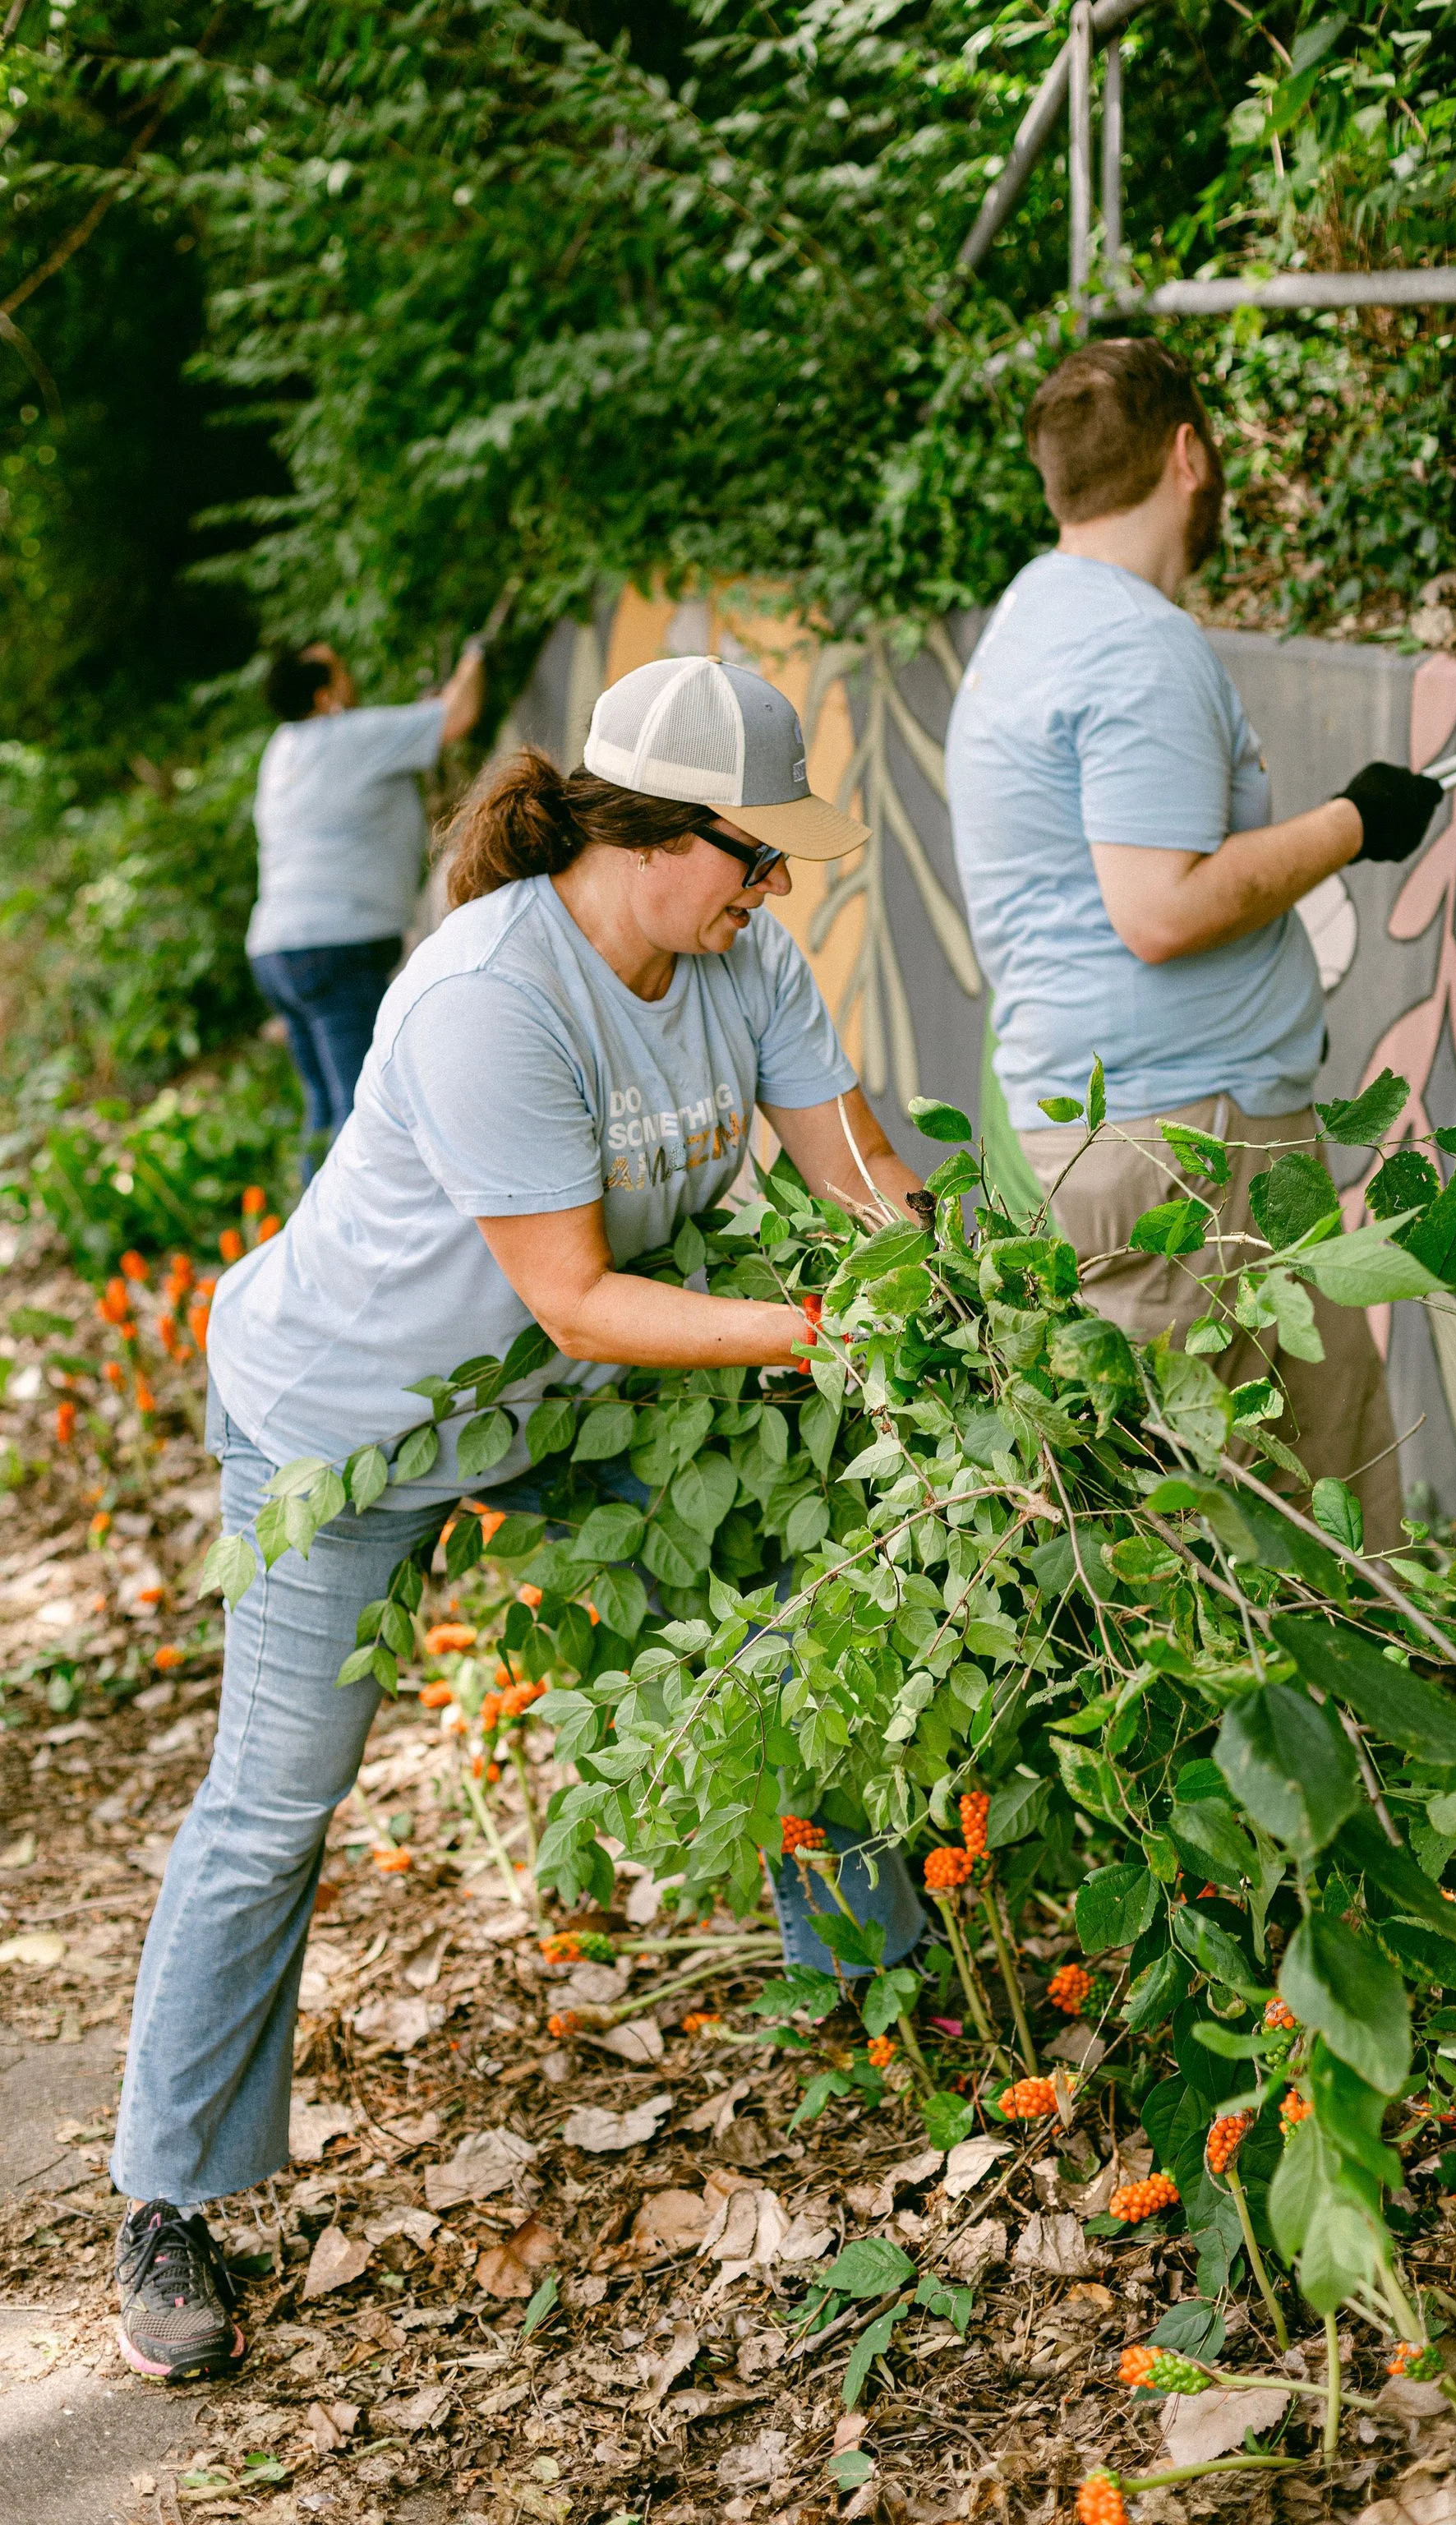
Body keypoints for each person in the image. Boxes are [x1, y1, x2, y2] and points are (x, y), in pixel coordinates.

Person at [109, 655, 927, 2383]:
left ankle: (880, 2010)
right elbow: (570, 1293)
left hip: (549, 1416)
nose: (775, 888)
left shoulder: (741, 957)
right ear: (647, 836)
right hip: (341, 1421)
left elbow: (855, 1172)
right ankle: (168, 2204)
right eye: (752, 856)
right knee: (275, 1804)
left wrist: (948, 1275)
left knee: (782, 1613)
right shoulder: (490, 993)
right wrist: (827, 1330)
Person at [946, 339, 1444, 1546]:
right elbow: (1158, 908)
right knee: (1233, 1535)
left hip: (1136, 1128)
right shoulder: (1137, 646)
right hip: (1189, 1147)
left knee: (1271, 1489)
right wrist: (1351, 825)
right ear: (1190, 455)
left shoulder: (1027, 623)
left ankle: (1358, 1724)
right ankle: (1342, 1731)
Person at [247, 636, 486, 1173]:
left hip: (275, 950)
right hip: (336, 949)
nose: (350, 678)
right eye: (338, 671)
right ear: (325, 695)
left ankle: (310, 1243)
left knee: (326, 1112)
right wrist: (474, 656)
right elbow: (457, 715)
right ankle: (345, 1249)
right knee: (360, 1118)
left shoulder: (281, 751)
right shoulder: (349, 737)